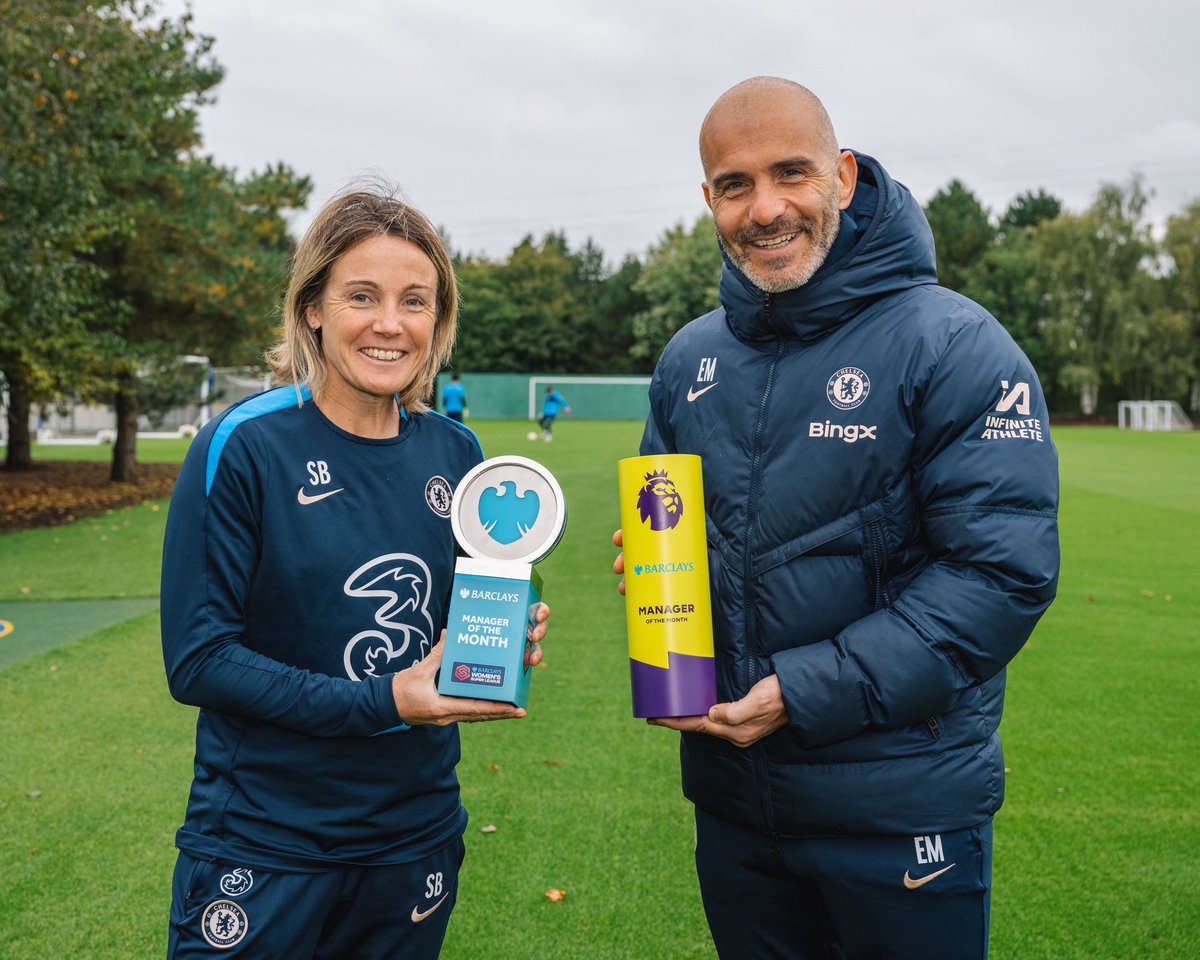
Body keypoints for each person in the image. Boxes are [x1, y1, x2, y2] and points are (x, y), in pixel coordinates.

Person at [612, 77, 1059, 960]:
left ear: (844, 178)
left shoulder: (955, 343)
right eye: (735, 185)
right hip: (735, 806)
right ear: (708, 199)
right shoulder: (689, 358)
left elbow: (998, 577)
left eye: (791, 173)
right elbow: (677, 542)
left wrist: (801, 692)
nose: (764, 208)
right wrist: (660, 583)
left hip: (901, 810)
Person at [160, 187, 550, 959]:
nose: (390, 323)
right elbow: (199, 659)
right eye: (362, 296)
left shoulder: (457, 454)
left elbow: (457, 628)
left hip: (415, 838)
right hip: (265, 841)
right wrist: (386, 699)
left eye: (415, 301)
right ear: (312, 307)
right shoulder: (243, 444)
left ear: (438, 320)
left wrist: (502, 639)